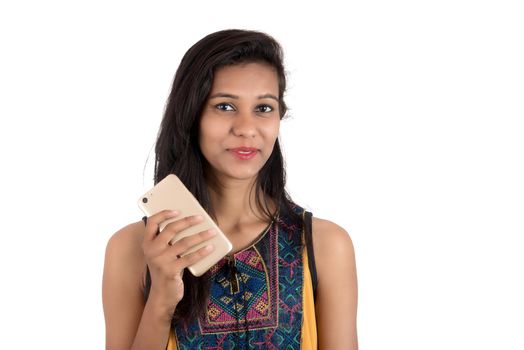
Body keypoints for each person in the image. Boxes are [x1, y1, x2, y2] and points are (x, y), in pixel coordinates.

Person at [102, 29, 358, 350]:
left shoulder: (324, 245)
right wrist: (161, 301)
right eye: (224, 106)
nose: (247, 128)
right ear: (192, 115)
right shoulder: (131, 250)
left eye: (264, 108)